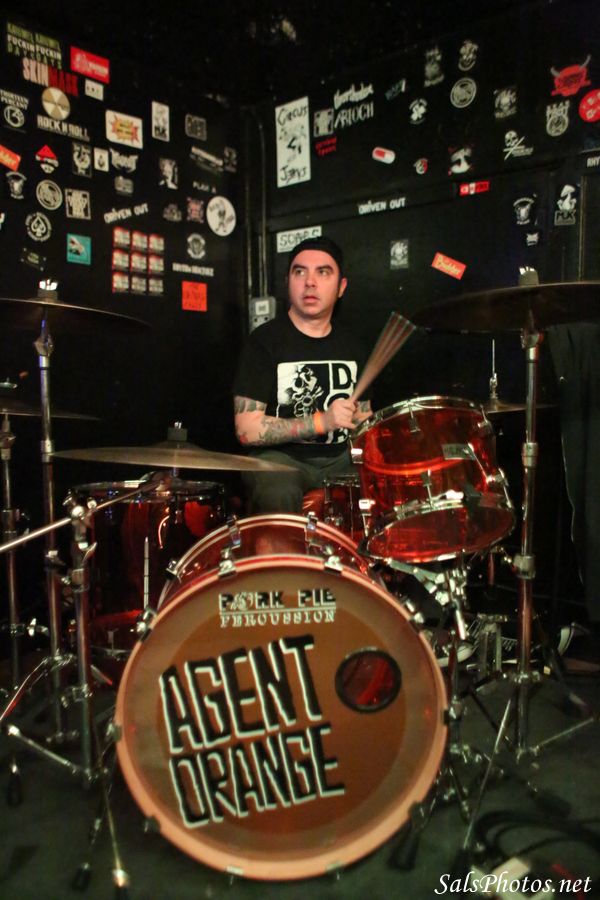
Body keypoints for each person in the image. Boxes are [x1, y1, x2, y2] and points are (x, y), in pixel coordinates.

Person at [233, 236, 372, 514]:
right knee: (278, 492)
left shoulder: (354, 345)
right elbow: (246, 430)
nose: (310, 282)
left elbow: (363, 418)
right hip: (281, 459)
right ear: (288, 282)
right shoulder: (264, 341)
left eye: (323, 272)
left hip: (341, 457)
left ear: (341, 287)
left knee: (381, 481)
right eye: (300, 272)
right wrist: (322, 421)